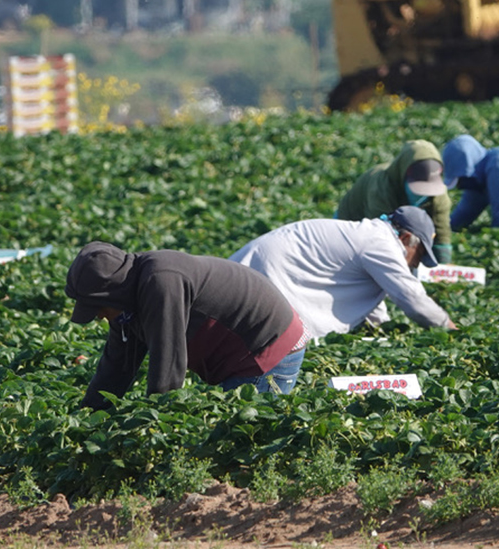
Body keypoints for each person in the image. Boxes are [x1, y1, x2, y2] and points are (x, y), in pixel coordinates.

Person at [66, 241, 309, 410]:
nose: (99, 317)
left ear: (111, 295)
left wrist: (156, 428)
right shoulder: (127, 300)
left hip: (267, 348)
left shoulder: (161, 282)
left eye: (98, 308)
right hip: (242, 353)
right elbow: (118, 364)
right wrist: (90, 415)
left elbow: (167, 368)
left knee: (237, 444)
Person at [231, 206, 455, 343]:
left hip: (266, 261)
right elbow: (412, 298)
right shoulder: (380, 243)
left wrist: (380, 330)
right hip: (272, 269)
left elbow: (369, 297)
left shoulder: (372, 236)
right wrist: (449, 328)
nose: (416, 263)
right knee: (266, 336)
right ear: (406, 239)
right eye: (419, 254)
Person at [336, 139, 454, 264]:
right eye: (418, 187)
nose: (423, 193)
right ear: (403, 174)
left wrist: (442, 266)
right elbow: (378, 235)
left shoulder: (437, 192)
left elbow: (442, 231)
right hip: (353, 223)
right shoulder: (381, 186)